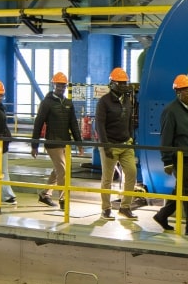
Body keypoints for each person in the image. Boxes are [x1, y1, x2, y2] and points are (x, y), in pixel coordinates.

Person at [154, 73, 188, 237]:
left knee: (181, 190)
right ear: (178, 93)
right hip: (181, 158)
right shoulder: (171, 111)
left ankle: (162, 215)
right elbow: (166, 138)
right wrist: (167, 161)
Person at [31, 71, 84, 209]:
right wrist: (34, 145)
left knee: (58, 170)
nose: (61, 88)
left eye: (63, 86)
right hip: (52, 142)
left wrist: (79, 143)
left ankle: (45, 194)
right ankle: (63, 199)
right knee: (63, 170)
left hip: (65, 142)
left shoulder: (68, 103)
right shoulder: (46, 103)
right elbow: (38, 123)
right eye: (58, 85)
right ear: (53, 85)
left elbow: (73, 123)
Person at [96, 67, 137, 220]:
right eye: (120, 83)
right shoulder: (104, 102)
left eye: (125, 83)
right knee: (107, 178)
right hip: (110, 145)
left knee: (131, 173)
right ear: (112, 84)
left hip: (126, 144)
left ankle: (125, 207)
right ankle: (106, 209)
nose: (123, 85)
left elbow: (130, 121)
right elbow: (99, 125)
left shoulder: (127, 100)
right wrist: (105, 146)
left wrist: (131, 138)